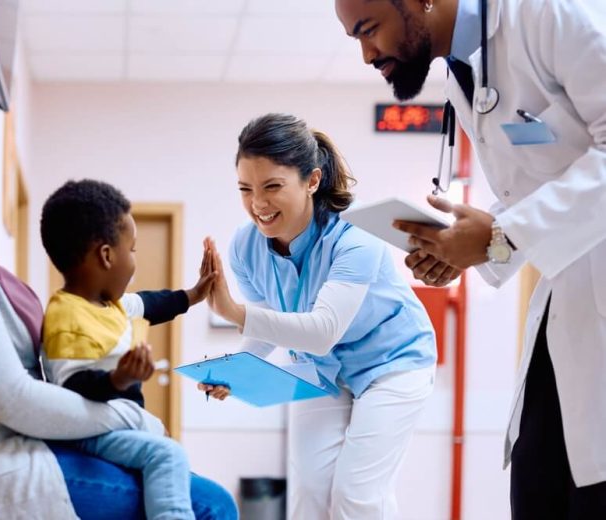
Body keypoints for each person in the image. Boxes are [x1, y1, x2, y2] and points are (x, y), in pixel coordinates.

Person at [0, 91, 237, 519]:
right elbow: (14, 399)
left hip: (7, 453)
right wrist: (129, 419)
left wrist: (192, 295)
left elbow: (142, 304)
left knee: (188, 483)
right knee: (210, 504)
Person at [334, 0, 606, 516]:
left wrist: (501, 232)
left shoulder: (547, 15)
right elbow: (539, 195)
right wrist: (468, 244)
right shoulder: (466, 74)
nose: (368, 54)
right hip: (563, 312)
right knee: (537, 486)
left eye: (369, 30)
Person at [201, 113, 437, 519]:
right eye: (246, 189)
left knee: (356, 495)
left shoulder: (355, 234)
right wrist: (235, 369)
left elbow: (322, 331)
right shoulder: (245, 246)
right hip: (320, 369)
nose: (258, 204)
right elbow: (268, 322)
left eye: (272, 186)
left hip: (393, 363)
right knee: (310, 492)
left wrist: (234, 312)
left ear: (311, 180)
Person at [39, 179, 217, 520]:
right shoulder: (67, 315)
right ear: (106, 256)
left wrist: (193, 295)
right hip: (93, 434)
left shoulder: (110, 304)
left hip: (114, 426)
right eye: (132, 250)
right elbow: (70, 386)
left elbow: (151, 304)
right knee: (168, 456)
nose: (134, 261)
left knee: (168, 453)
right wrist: (118, 379)